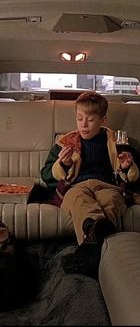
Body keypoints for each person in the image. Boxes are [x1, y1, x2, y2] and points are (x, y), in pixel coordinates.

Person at [41, 91, 140, 277]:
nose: (84, 124)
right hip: (76, 187)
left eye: (91, 119)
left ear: (103, 120)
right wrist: (63, 164)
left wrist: (128, 167)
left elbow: (134, 176)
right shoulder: (65, 144)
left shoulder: (117, 143)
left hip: (107, 185)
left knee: (111, 201)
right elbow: (46, 175)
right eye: (79, 118)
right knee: (79, 200)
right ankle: (101, 249)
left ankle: (89, 249)